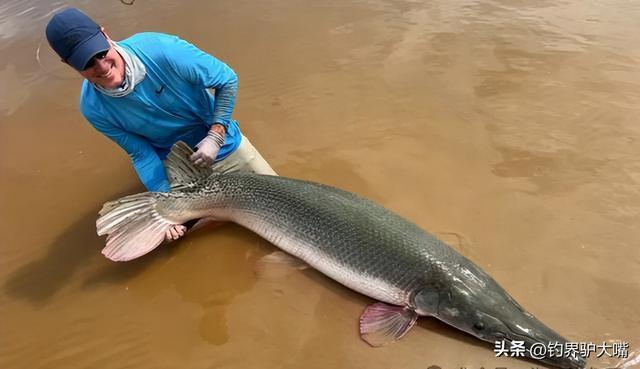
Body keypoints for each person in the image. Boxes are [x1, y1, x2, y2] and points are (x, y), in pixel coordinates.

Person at [46, 7, 276, 241]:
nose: (102, 66)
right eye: (87, 63)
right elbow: (141, 154)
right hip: (179, 170)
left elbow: (226, 79)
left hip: (224, 145)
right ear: (68, 64)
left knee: (280, 206)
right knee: (176, 241)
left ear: (105, 34)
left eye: (101, 53)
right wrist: (165, 205)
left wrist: (216, 134)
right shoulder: (93, 108)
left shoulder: (162, 50)